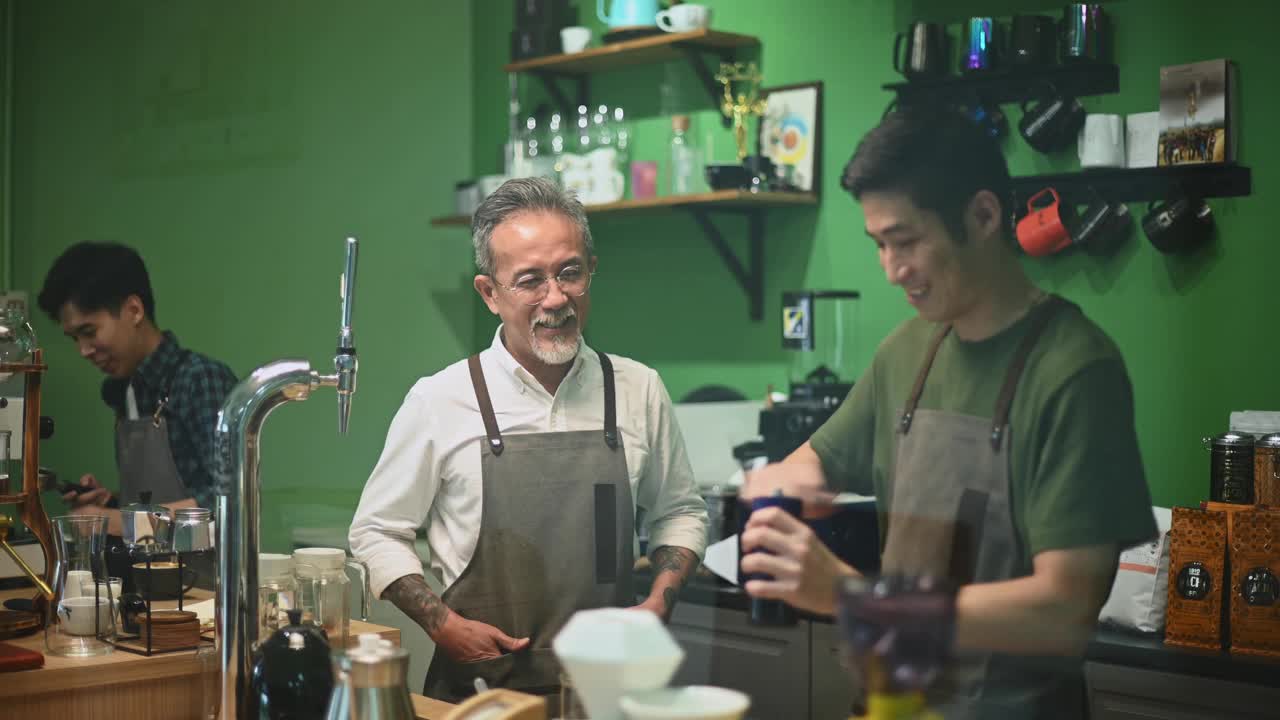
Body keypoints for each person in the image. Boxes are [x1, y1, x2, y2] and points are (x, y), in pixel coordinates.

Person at [740, 108, 1157, 719]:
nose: (891, 269)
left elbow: (1065, 612)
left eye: (906, 241)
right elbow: (814, 467)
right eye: (879, 244)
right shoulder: (906, 352)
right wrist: (769, 487)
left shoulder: (1075, 369)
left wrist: (857, 597)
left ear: (983, 216)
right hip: (896, 704)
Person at [349, 177, 708, 703]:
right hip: (479, 693)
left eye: (570, 273)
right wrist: (441, 624)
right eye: (530, 281)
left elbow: (679, 511)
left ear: (592, 271)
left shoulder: (637, 390)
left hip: (608, 693)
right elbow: (377, 531)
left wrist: (661, 598)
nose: (556, 298)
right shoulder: (440, 400)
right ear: (489, 293)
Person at [37, 242, 238, 535]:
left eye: (89, 332)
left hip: (205, 578)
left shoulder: (200, 380)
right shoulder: (128, 391)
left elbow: (227, 504)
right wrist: (111, 503)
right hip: (147, 574)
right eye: (74, 339)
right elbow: (160, 504)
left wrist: (112, 521)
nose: (83, 351)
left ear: (133, 310)